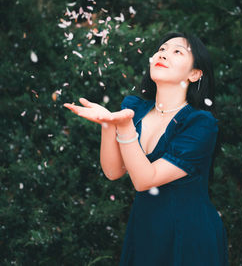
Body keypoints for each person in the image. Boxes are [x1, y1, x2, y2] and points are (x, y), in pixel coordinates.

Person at [64, 32, 229, 265]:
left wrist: (122, 126)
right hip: (145, 229)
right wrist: (107, 124)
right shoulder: (135, 109)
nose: (163, 54)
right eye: (162, 49)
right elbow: (113, 171)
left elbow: (145, 179)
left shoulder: (200, 123)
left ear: (195, 74)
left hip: (188, 234)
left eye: (177, 51)